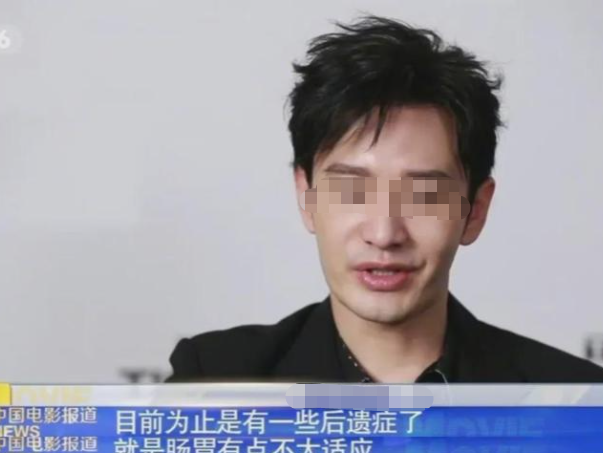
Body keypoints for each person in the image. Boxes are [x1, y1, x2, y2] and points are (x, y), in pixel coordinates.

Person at [166, 16, 603, 383]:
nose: (384, 233)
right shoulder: (216, 380)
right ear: (306, 196)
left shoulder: (571, 403)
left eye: (423, 195)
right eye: (352, 190)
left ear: (475, 210)